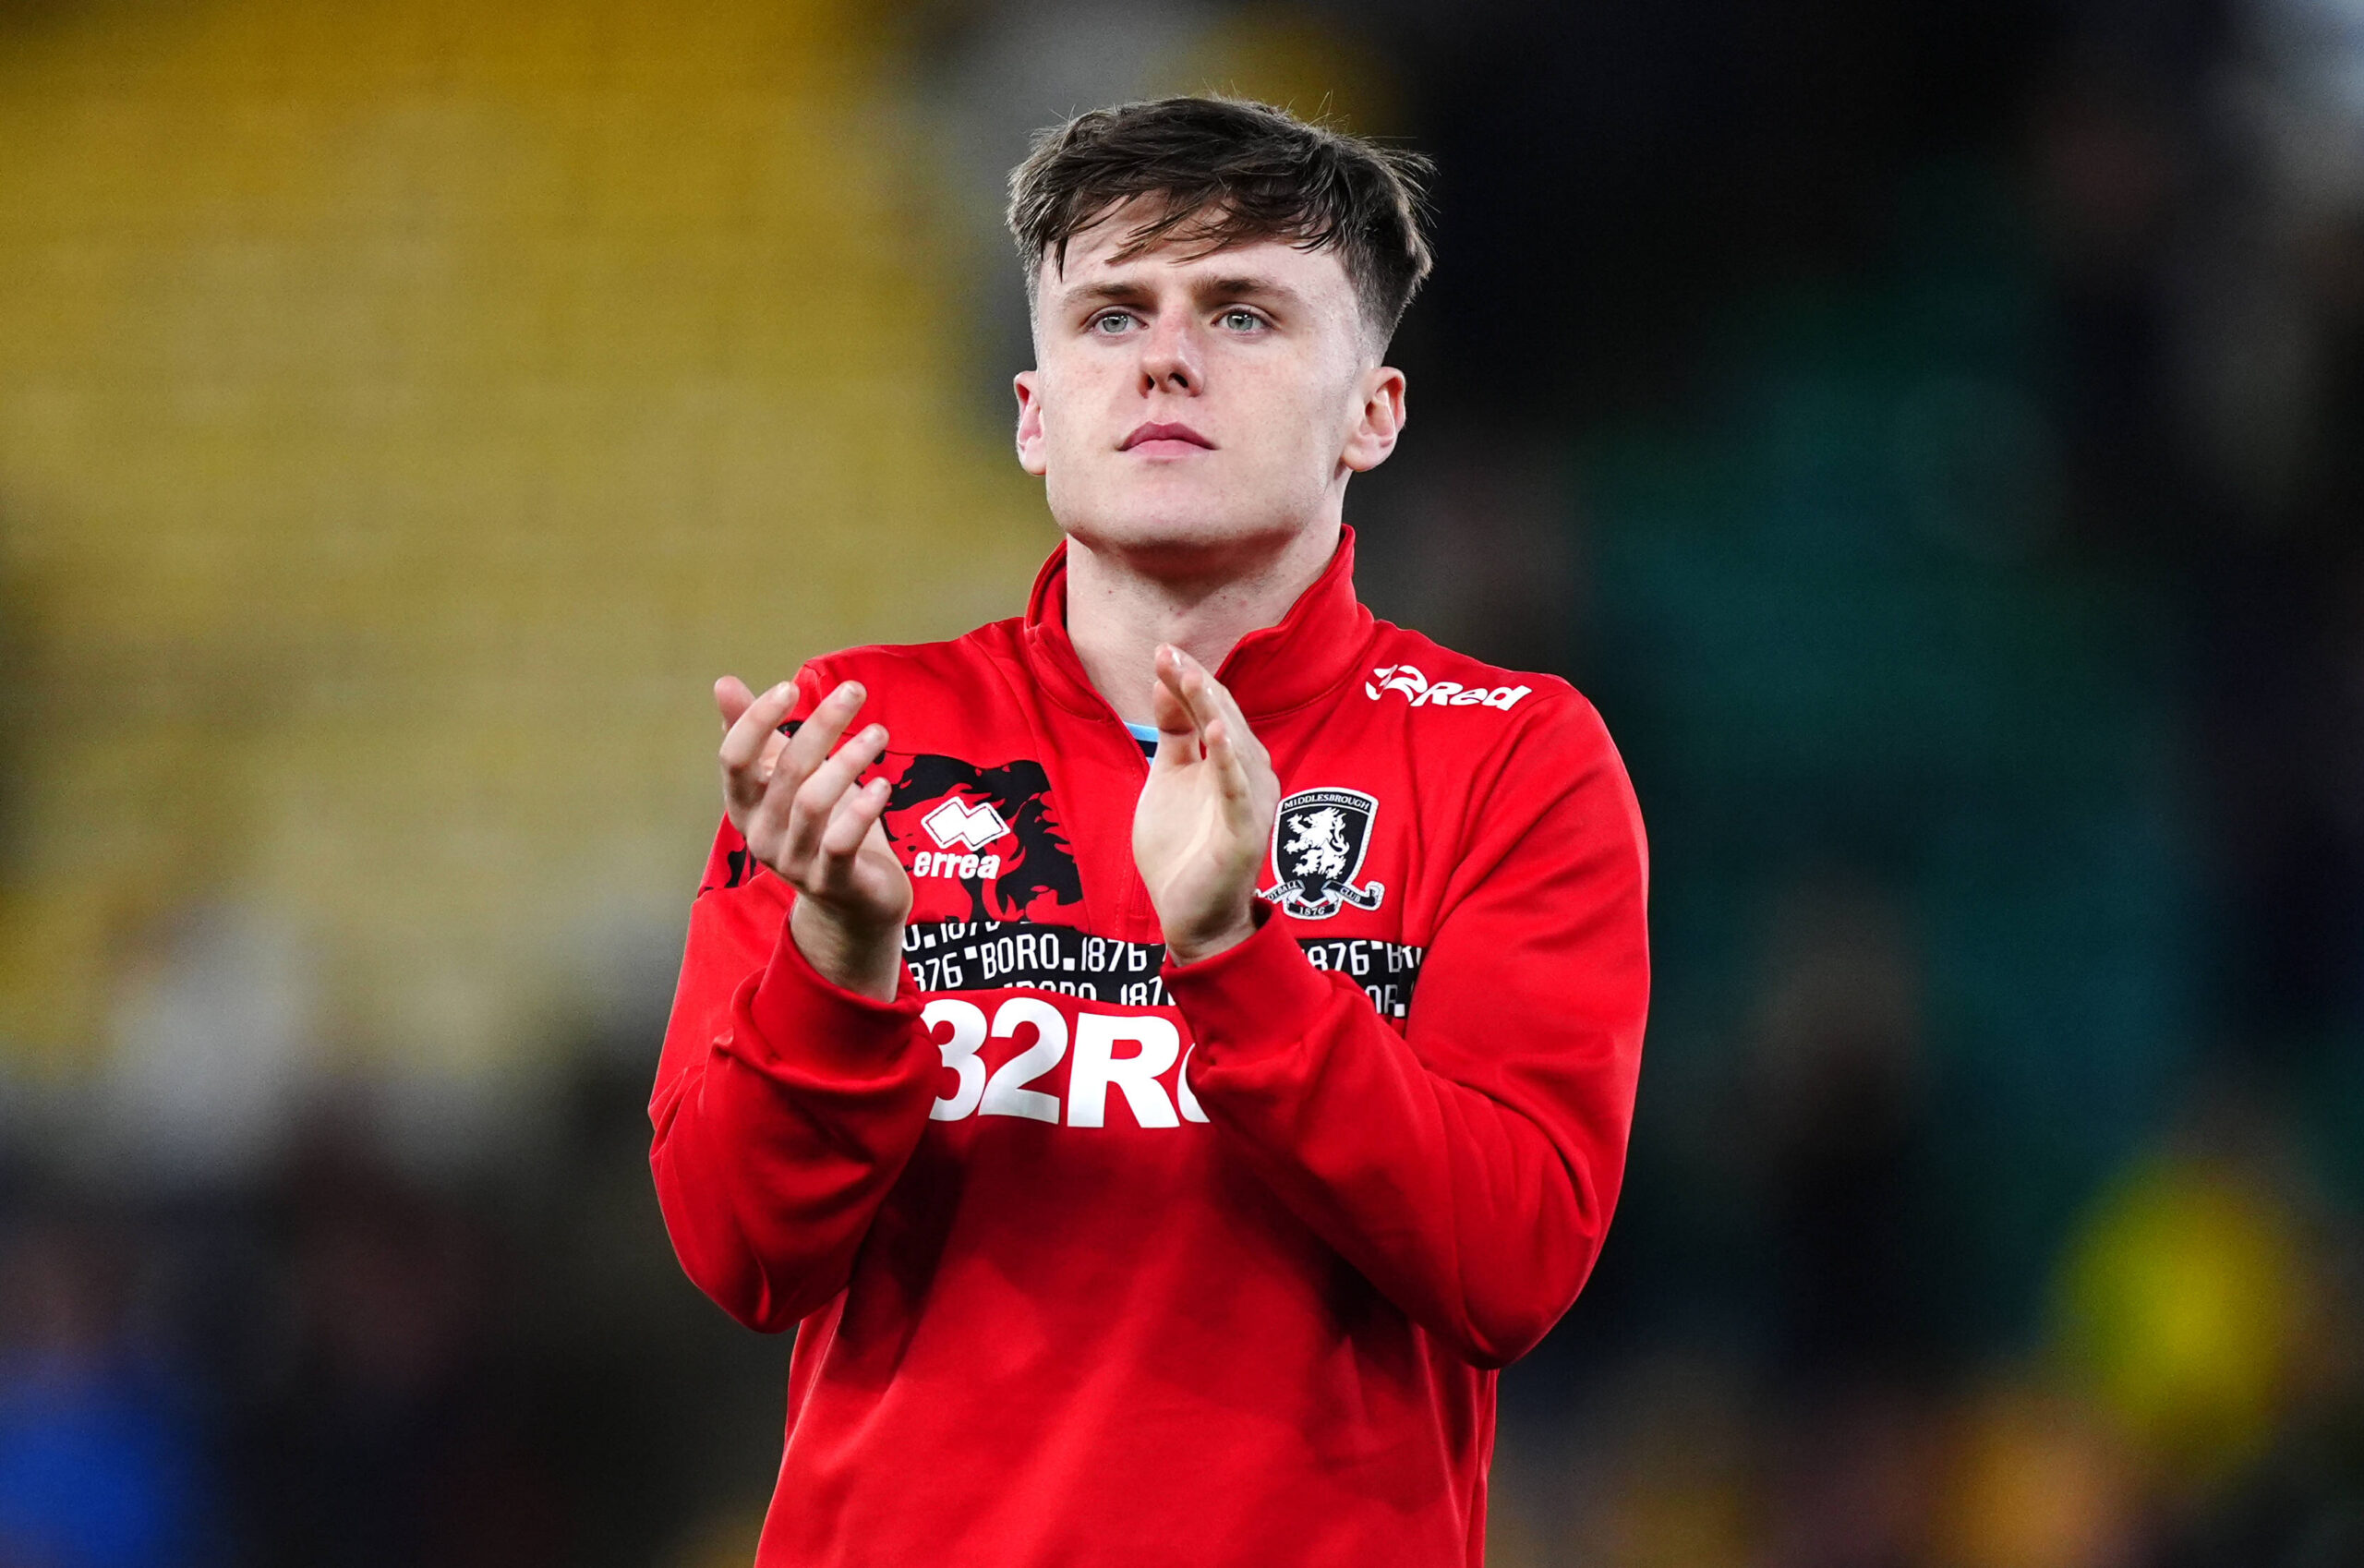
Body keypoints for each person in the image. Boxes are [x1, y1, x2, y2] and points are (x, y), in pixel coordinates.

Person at [649, 96, 1649, 1567]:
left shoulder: (1513, 755)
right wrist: (840, 951)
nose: (1167, 352)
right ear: (1036, 411)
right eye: (1112, 314)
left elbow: (1510, 1262)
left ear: (1372, 412)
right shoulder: (860, 741)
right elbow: (737, 1250)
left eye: (1243, 314)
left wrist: (1232, 957)